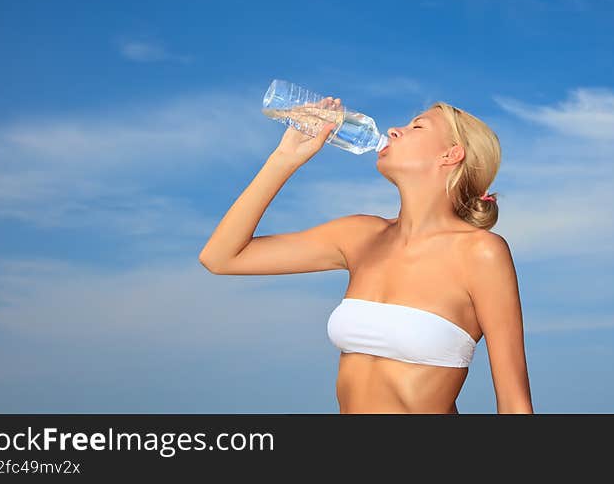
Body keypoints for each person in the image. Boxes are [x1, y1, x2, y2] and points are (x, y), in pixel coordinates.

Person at [199, 96, 533, 414]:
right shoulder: (359, 236)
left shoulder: (481, 252)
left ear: (451, 155)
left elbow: (515, 403)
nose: (393, 131)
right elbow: (221, 257)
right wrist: (284, 159)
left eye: (417, 127)